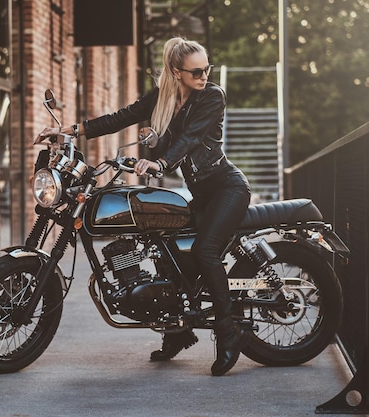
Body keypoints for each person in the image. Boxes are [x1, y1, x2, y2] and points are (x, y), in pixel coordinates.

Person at [36, 37, 251, 376]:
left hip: (227, 188)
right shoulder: (163, 99)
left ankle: (229, 332)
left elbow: (190, 137)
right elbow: (121, 117)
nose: (204, 75)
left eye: (206, 68)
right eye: (196, 71)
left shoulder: (211, 96)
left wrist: (161, 162)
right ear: (176, 72)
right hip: (204, 193)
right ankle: (178, 332)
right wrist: (69, 131)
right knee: (165, 249)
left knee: (206, 252)